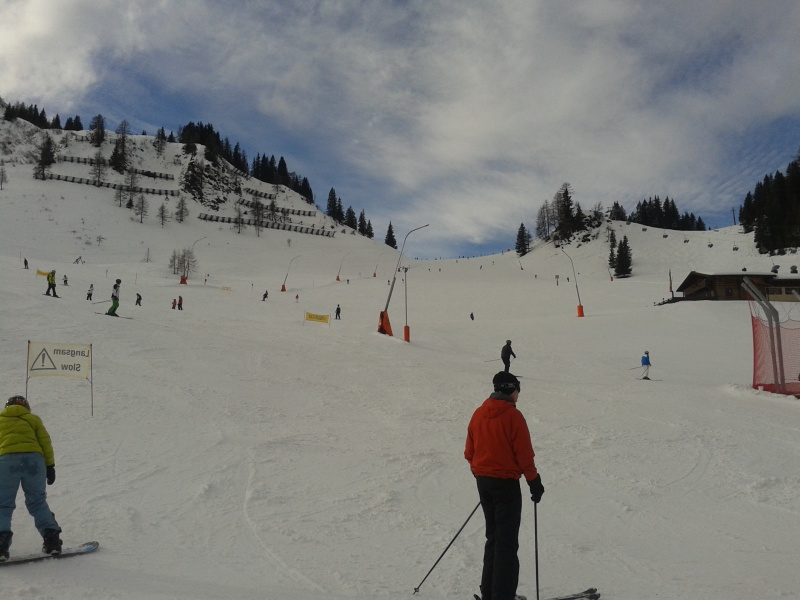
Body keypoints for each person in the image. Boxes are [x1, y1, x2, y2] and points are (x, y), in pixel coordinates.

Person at [465, 372, 543, 600]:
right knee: (506, 542)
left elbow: (470, 452)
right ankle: (503, 595)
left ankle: (489, 592)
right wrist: (534, 482)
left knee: (493, 537)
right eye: (518, 389)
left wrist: (482, 473)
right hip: (506, 485)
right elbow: (524, 455)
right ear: (510, 389)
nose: (519, 394)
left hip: (484, 482)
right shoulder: (513, 416)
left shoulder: (479, 413)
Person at [0, 395, 63, 562]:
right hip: (34, 461)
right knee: (37, 502)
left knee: (3, 504)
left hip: (6, 462)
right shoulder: (33, 419)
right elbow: (45, 442)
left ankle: (1, 544)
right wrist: (50, 466)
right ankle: (52, 540)